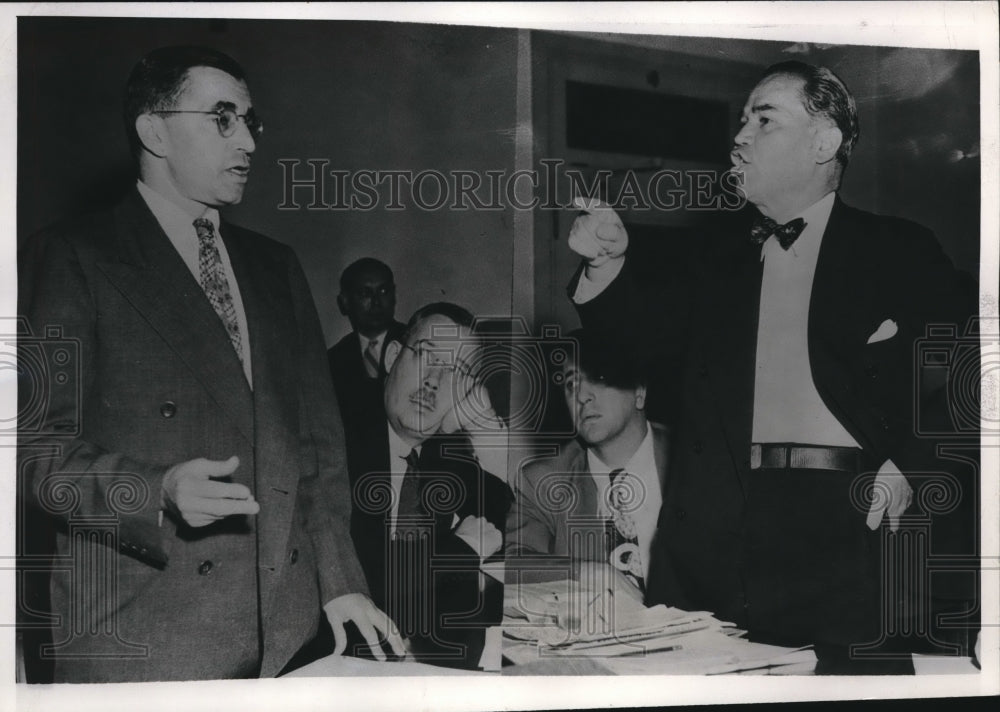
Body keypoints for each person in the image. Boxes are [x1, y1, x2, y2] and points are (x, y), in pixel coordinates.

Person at [566, 60, 978, 673]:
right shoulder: (715, 255)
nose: (739, 136)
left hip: (854, 528)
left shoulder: (899, 249)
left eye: (764, 119)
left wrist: (914, 461)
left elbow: (979, 369)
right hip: (723, 526)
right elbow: (636, 346)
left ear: (824, 141)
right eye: (740, 120)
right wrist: (607, 266)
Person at [16, 45, 402, 682]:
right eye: (223, 118)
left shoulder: (275, 266)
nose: (247, 140)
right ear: (154, 129)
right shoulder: (72, 255)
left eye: (251, 121)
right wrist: (156, 490)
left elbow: (318, 453)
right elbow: (31, 450)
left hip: (285, 633)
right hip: (141, 636)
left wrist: (340, 582)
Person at [344, 302, 514, 669]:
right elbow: (365, 581)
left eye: (456, 373)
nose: (435, 380)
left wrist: (479, 428)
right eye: (426, 356)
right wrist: (458, 549)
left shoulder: (441, 454)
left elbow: (502, 502)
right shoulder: (338, 440)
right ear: (391, 356)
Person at [505, 329, 672, 600]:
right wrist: (588, 574)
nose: (582, 396)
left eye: (599, 377)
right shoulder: (542, 480)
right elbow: (512, 566)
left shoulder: (693, 460)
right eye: (572, 384)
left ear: (639, 391)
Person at [327, 258, 405, 436]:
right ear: (345, 302)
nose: (376, 302)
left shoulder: (415, 347)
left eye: (384, 291)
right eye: (365, 293)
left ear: (394, 296)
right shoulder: (332, 361)